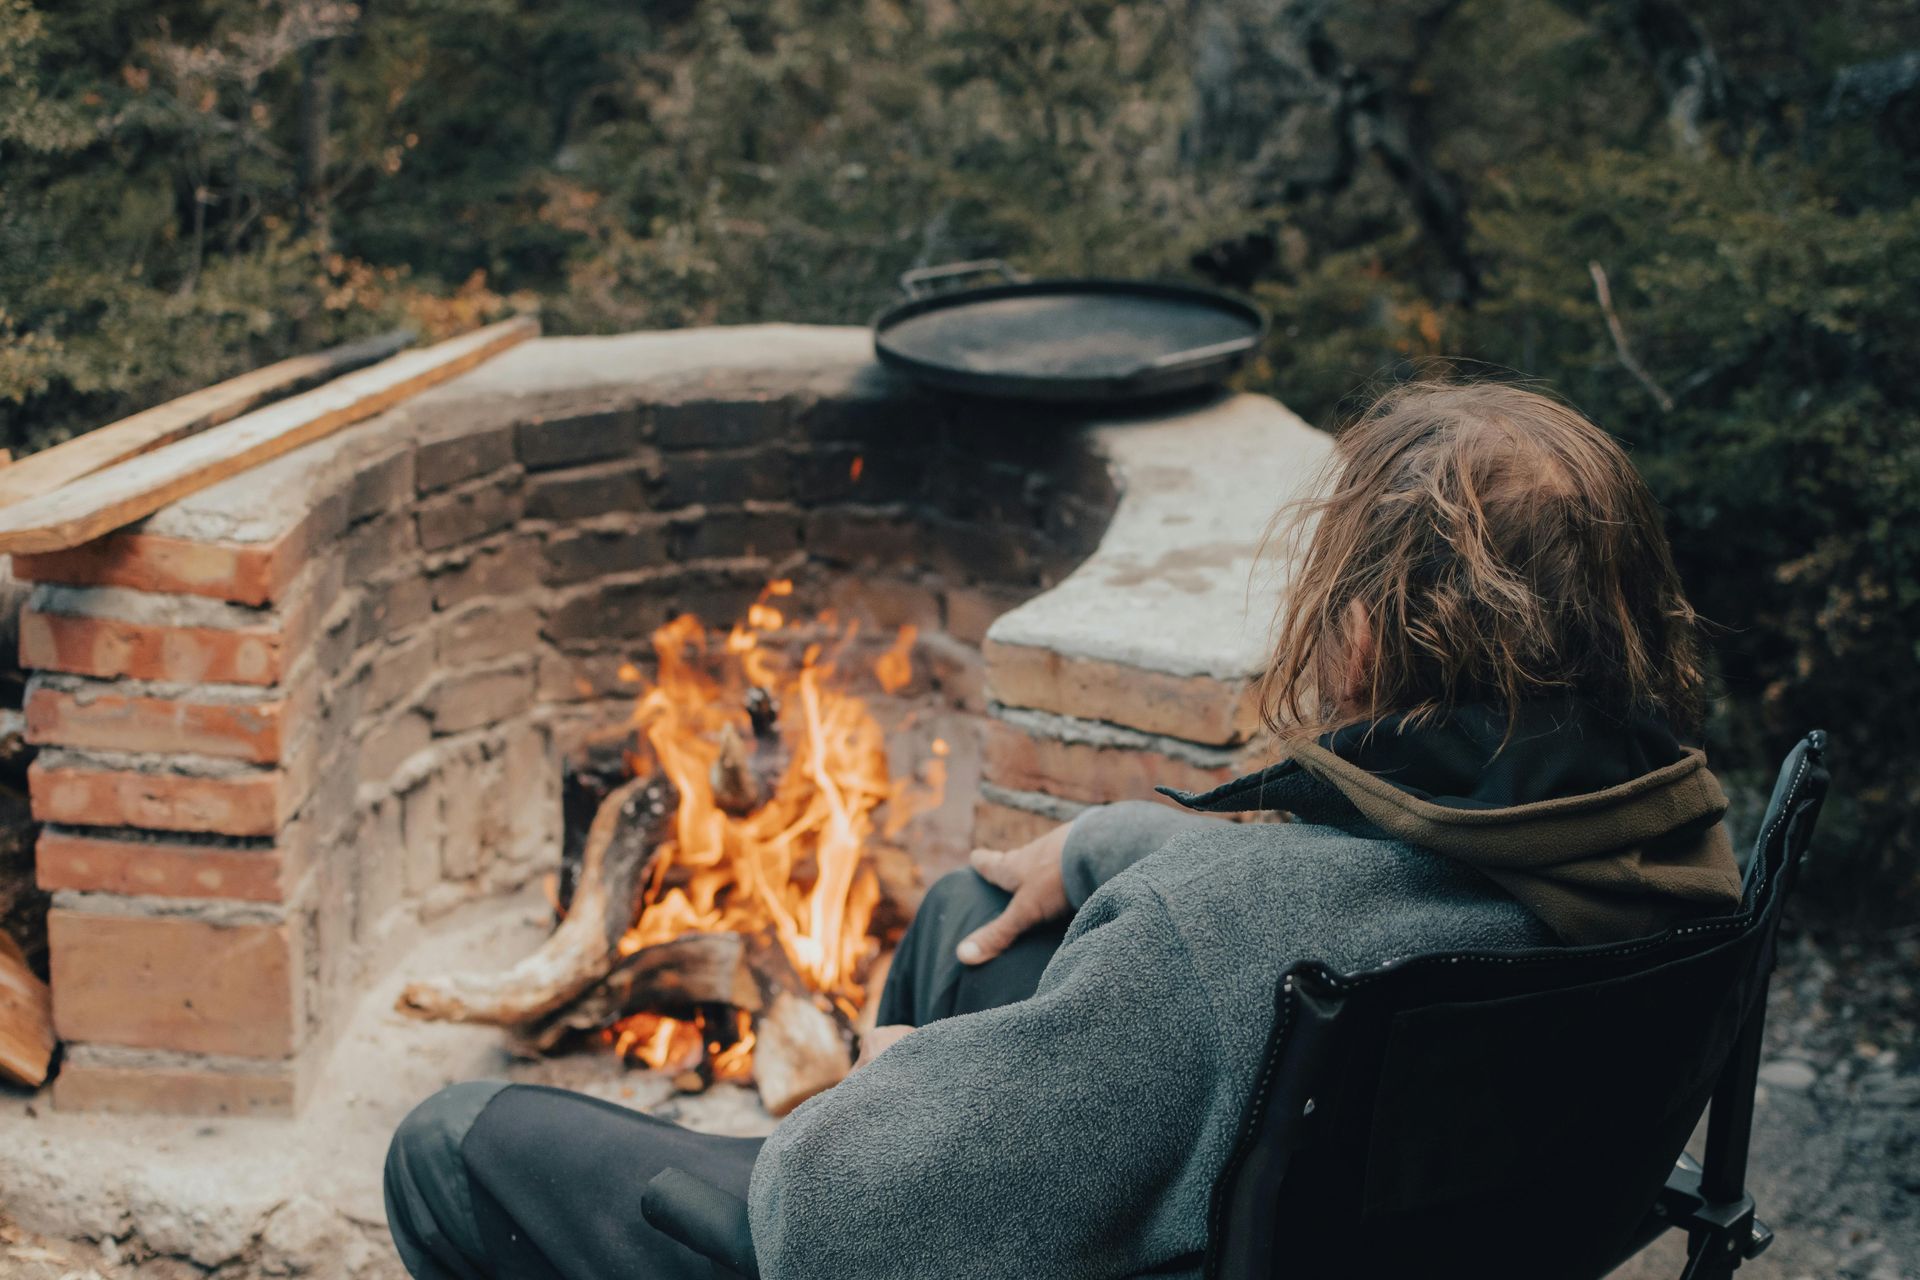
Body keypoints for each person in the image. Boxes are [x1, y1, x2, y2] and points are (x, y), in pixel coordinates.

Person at [384, 380, 1744, 1280]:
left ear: (1374, 627)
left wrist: (876, 1090)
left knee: (449, 1147)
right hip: (1411, 1226)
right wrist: (1096, 850)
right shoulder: (1678, 854)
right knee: (964, 924)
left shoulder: (1221, 941)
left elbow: (849, 1216)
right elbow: (1361, 887)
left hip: (917, 1222)